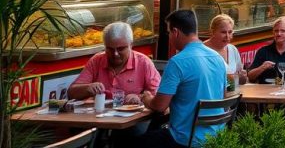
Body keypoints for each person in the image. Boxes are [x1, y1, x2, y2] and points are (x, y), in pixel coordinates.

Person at [141, 10, 225, 148]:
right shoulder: (217, 58)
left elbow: (160, 106)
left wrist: (147, 98)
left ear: (175, 32)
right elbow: (222, 97)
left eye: (169, 33)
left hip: (185, 139)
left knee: (132, 142)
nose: (169, 37)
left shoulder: (177, 62)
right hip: (217, 137)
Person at [68, 22, 161, 144]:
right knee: (77, 130)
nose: (115, 54)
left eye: (121, 49)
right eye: (110, 49)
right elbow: (71, 93)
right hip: (99, 120)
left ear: (131, 45)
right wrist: (87, 88)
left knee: (127, 137)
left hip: (132, 123)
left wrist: (140, 97)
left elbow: (159, 98)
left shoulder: (144, 62)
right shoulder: (96, 60)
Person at [203, 15, 247, 86]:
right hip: (210, 96)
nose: (227, 36)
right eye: (223, 32)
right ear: (212, 32)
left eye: (230, 32)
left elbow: (240, 80)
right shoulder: (202, 50)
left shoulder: (233, 50)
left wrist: (243, 78)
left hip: (232, 95)